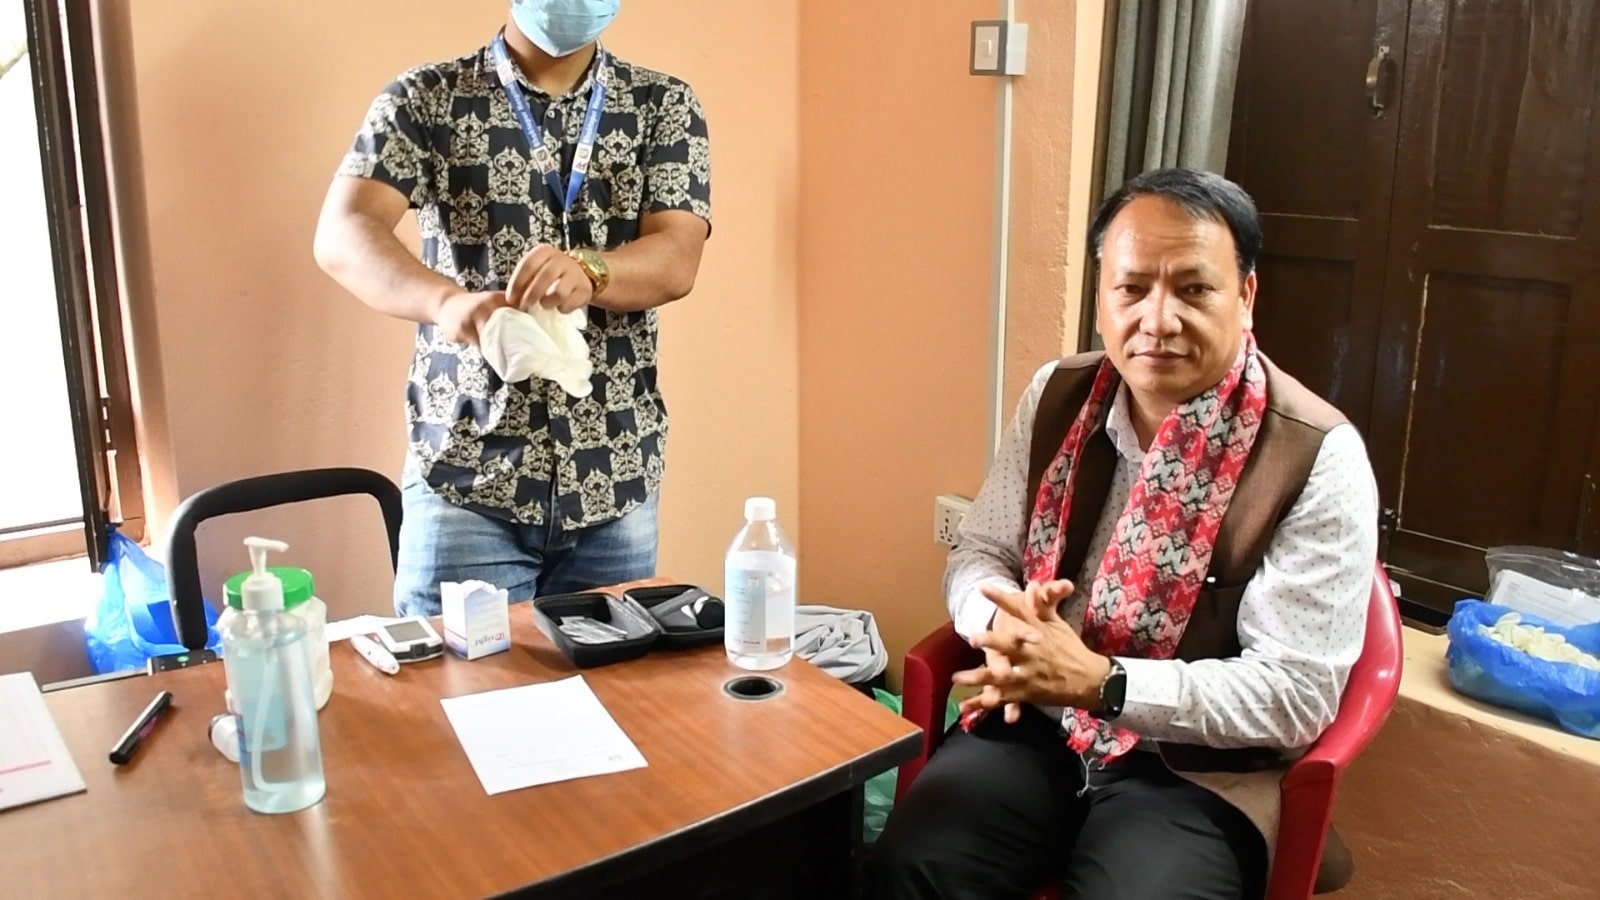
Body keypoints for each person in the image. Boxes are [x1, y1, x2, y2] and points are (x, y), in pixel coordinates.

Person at [868, 168, 1379, 900]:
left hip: (1194, 769)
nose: (1158, 320)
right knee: (915, 868)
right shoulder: (1058, 394)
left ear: (1246, 295)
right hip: (1038, 725)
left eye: (1193, 289)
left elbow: (1295, 694)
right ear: (1102, 296)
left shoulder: (1318, 455)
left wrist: (1104, 682)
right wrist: (1003, 625)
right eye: (1132, 288)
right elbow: (981, 550)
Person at [313, 0, 711, 616]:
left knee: (611, 677)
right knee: (456, 679)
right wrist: (448, 304)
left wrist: (593, 270)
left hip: (615, 477)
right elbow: (344, 233)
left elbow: (678, 255)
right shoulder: (426, 98)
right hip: (467, 476)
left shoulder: (663, 105)